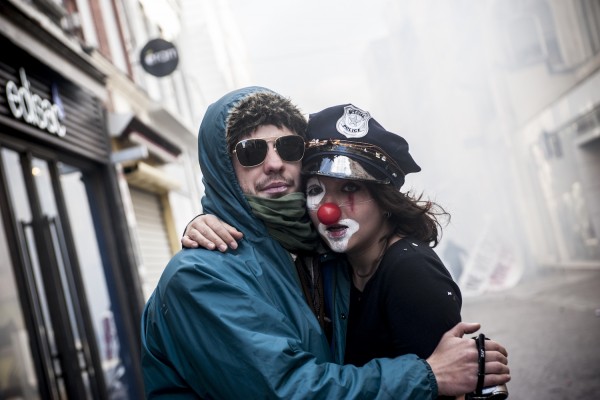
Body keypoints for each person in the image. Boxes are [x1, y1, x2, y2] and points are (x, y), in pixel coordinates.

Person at [142, 86, 510, 399]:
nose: (273, 163)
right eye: (251, 151)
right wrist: (428, 376)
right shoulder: (199, 276)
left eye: (288, 147)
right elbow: (285, 388)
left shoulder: (318, 249)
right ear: (223, 168)